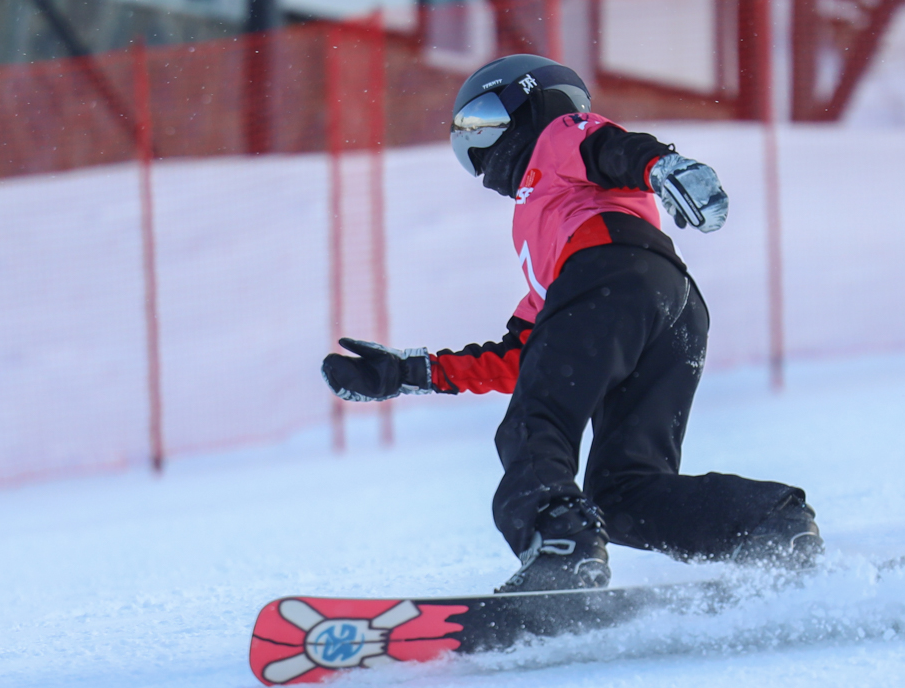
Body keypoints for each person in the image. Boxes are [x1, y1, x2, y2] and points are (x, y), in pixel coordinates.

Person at [321, 54, 821, 592]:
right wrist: (408, 372)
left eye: (483, 120)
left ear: (529, 103)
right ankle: (767, 525)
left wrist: (663, 167)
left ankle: (561, 546)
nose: (478, 145)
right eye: (466, 133)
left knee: (532, 426)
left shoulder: (555, 139)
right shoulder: (552, 234)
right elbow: (523, 354)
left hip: (609, 279)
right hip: (674, 309)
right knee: (624, 491)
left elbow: (607, 147)